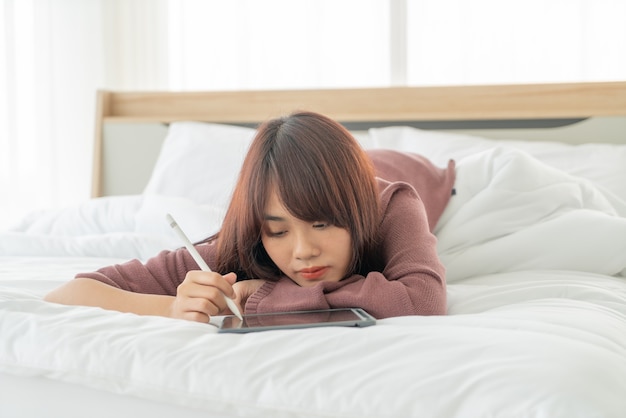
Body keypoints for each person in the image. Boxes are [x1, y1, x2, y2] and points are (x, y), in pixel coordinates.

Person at [45, 111, 456, 322]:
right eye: (278, 231)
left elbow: (422, 299)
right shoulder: (243, 242)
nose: (303, 252)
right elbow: (68, 294)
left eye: (322, 223)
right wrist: (169, 309)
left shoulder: (393, 203)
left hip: (422, 173)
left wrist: (260, 295)